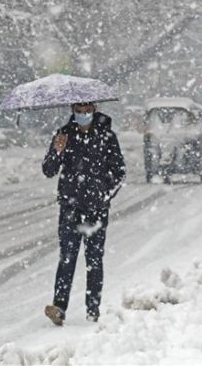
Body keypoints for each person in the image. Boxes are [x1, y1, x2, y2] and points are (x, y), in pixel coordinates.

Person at [41, 102, 126, 326]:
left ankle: (93, 309)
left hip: (96, 210)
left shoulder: (107, 136)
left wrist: (105, 195)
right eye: (78, 110)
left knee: (94, 260)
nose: (83, 114)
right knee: (67, 258)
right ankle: (59, 307)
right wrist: (57, 152)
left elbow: (119, 171)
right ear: (72, 110)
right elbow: (48, 170)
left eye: (87, 109)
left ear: (94, 108)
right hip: (70, 208)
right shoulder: (64, 135)